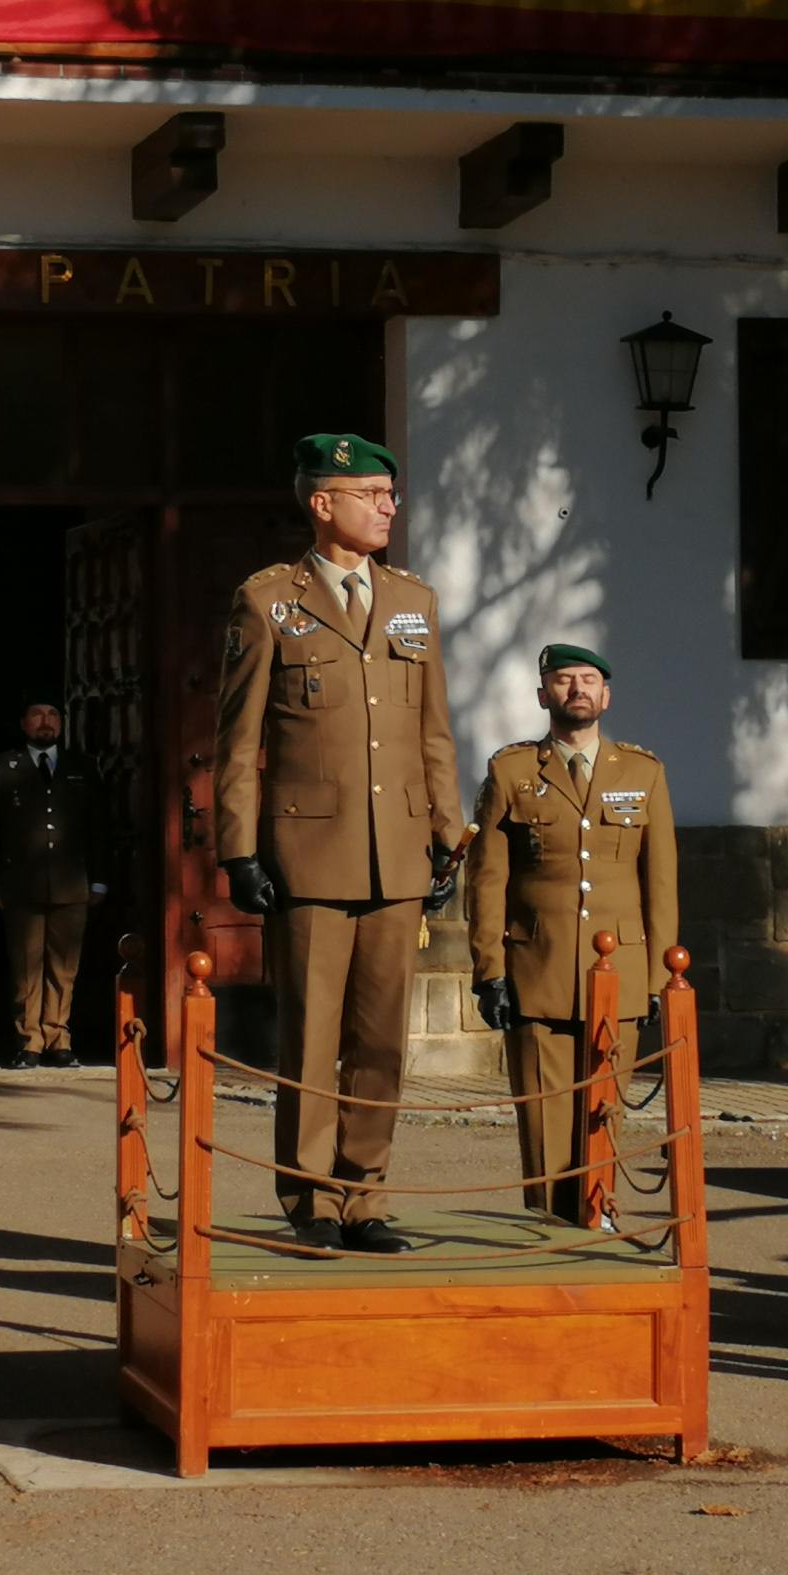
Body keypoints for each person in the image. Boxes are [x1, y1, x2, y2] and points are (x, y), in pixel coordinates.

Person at [212, 432, 466, 1252]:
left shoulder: (411, 601)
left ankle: (366, 1196)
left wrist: (445, 836)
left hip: (396, 852)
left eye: (392, 493)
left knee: (383, 1039)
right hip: (309, 855)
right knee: (312, 1038)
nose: (390, 505)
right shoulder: (268, 601)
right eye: (372, 493)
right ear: (323, 503)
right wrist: (238, 851)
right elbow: (238, 736)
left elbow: (434, 732)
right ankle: (312, 1200)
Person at [463, 644, 678, 1224]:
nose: (577, 690)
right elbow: (487, 879)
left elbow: (659, 882)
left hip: (621, 976)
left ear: (606, 696)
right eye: (563, 681)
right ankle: (549, 1225)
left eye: (588, 680)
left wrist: (658, 976)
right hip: (538, 969)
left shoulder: (643, 772)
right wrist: (490, 970)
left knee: (605, 1107)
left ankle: (599, 1212)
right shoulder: (510, 771)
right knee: (544, 1113)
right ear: (543, 696)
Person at [0, 695, 105, 1070]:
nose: (45, 721)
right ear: (23, 723)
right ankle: (28, 1039)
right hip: (21, 883)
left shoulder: (82, 767)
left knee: (64, 967)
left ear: (61, 724)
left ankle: (58, 1037)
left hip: (70, 884)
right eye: (37, 715)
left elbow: (99, 828)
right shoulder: (2, 767)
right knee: (27, 967)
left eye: (52, 715)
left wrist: (99, 881)